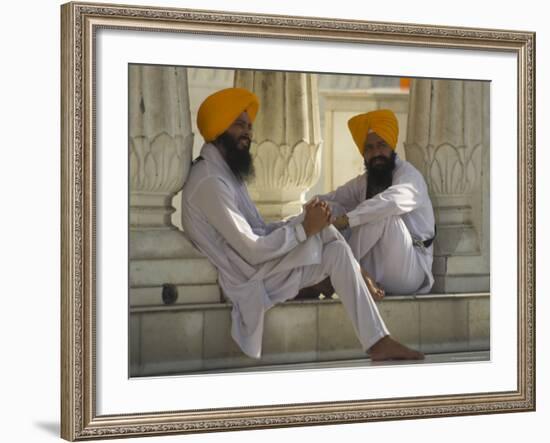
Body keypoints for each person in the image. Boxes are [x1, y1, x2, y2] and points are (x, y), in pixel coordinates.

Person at [181, 87, 423, 361]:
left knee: (332, 244)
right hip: (246, 277)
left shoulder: (225, 173)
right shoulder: (211, 181)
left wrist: (304, 221)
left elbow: (258, 229)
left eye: (249, 126)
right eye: (239, 125)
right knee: (327, 238)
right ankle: (369, 323)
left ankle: (377, 339)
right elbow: (252, 249)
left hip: (257, 268)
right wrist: (303, 228)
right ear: (218, 127)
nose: (248, 132)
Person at [314, 109, 436, 300]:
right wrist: (311, 213)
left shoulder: (410, 177)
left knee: (382, 213)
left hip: (409, 269)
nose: (376, 153)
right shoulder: (363, 182)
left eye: (381, 145)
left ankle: (334, 274)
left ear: (392, 146)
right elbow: (330, 198)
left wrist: (346, 220)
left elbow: (391, 202)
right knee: (329, 208)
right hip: (373, 264)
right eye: (369, 148)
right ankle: (332, 271)